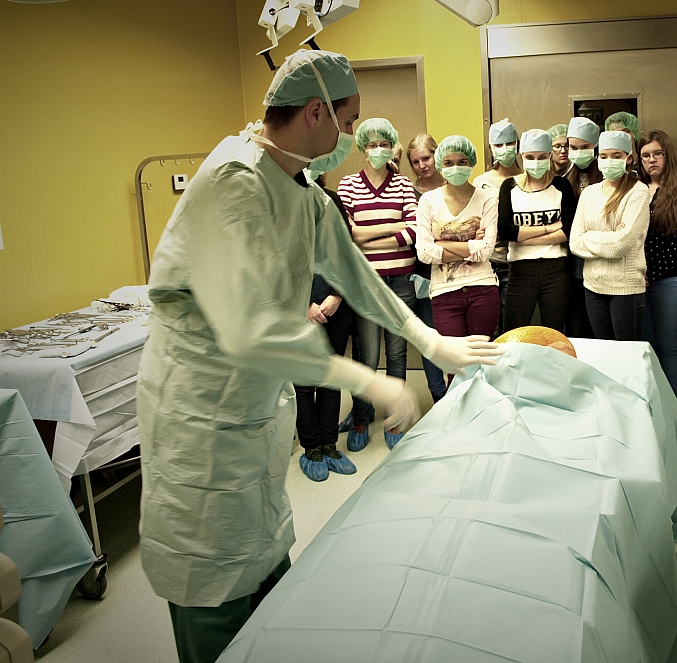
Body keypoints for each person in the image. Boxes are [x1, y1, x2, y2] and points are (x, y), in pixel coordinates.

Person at [136, 49, 501, 663]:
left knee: (262, 557)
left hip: (250, 404)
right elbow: (250, 331)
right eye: (349, 121)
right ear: (315, 113)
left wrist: (428, 340)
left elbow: (352, 270)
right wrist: (368, 381)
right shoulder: (233, 182)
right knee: (213, 572)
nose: (353, 136)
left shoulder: (299, 187)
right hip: (201, 408)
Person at [337, 117, 418, 451]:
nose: (379, 150)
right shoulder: (348, 185)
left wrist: (367, 239)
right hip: (366, 283)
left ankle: (395, 419)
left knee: (397, 354)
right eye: (372, 145)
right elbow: (348, 234)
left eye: (384, 144)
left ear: (392, 147)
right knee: (367, 357)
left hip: (400, 280)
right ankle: (360, 417)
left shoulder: (403, 185)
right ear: (363, 149)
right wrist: (392, 227)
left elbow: (413, 232)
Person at [416, 135, 501, 376]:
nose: (456, 167)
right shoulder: (428, 201)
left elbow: (486, 250)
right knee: (456, 369)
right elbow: (423, 252)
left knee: (482, 364)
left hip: (483, 289)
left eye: (462, 161)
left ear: (472, 163)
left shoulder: (487, 198)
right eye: (449, 162)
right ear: (440, 165)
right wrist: (471, 245)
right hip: (444, 294)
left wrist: (441, 242)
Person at [293, 173, 357, 481]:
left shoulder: (331, 200)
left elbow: (346, 252)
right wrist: (303, 303)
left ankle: (330, 445)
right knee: (304, 382)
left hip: (335, 306)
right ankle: (311, 449)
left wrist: (337, 295)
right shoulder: (280, 205)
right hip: (297, 308)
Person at [569, 130, 650, 341]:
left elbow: (622, 244)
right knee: (604, 351)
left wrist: (590, 236)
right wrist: (611, 235)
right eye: (604, 156)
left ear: (628, 159)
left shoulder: (638, 192)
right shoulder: (589, 193)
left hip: (626, 289)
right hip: (593, 287)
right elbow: (575, 242)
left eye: (616, 156)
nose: (609, 161)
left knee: (627, 353)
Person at [637, 130, 677, 401]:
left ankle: (674, 401)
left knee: (668, 343)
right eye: (645, 155)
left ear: (668, 155)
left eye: (657, 154)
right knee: (647, 344)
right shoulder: (636, 189)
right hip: (639, 279)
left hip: (673, 279)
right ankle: (652, 400)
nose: (651, 160)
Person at [497, 129, 576, 333]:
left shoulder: (561, 185)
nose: (536, 162)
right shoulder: (509, 187)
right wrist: (548, 228)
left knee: (554, 332)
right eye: (530, 157)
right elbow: (505, 231)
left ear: (550, 156)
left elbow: (568, 231)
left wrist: (525, 238)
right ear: (521, 157)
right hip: (520, 270)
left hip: (556, 270)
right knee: (513, 332)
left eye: (542, 157)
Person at [405, 133, 448, 404]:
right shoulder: (409, 192)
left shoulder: (454, 184)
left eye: (426, 158)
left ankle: (459, 394)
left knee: (456, 338)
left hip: (457, 273)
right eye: (415, 161)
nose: (422, 165)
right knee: (429, 339)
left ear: (437, 155)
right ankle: (438, 396)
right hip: (423, 276)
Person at [473, 118, 523, 323]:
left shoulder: (527, 178)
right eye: (499, 145)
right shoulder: (481, 182)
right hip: (488, 261)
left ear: (518, 145)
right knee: (489, 321)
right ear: (491, 148)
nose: (505, 149)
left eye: (510, 143)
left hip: (518, 261)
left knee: (512, 322)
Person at [564, 116, 603, 338]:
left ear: (596, 147)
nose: (579, 152)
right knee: (577, 326)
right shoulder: (565, 180)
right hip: (574, 264)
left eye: (585, 147)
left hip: (601, 262)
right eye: (574, 147)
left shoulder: (606, 179)